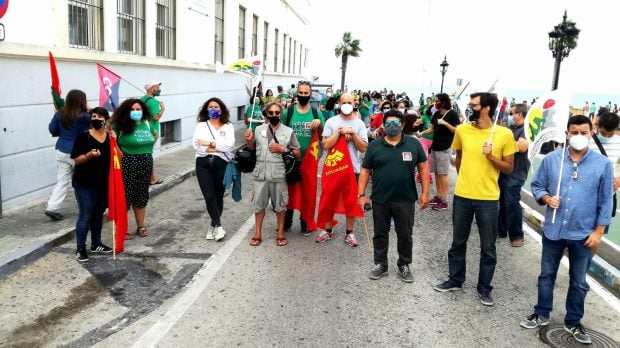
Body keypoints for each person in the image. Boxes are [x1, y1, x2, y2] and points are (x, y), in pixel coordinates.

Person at [520, 115, 613, 345]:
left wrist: (599, 232)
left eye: (583, 132)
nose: (578, 136)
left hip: (583, 233)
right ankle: (542, 313)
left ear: (592, 133)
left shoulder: (603, 164)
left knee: (579, 280)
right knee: (546, 275)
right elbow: (537, 185)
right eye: (574, 132)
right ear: (566, 134)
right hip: (554, 230)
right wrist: (547, 198)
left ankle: (573, 321)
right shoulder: (552, 160)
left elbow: (606, 201)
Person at [434, 92, 516, 307]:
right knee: (457, 242)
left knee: (488, 247)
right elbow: (459, 159)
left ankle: (484, 288)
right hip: (462, 196)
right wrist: (465, 178)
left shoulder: (504, 134)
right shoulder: (462, 130)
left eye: (474, 105)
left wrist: (491, 157)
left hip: (488, 199)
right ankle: (455, 279)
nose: (469, 108)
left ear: (487, 108)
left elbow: (509, 167)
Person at [358, 109, 430, 282]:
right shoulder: (375, 145)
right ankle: (381, 264)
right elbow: (365, 171)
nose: (392, 127)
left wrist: (425, 193)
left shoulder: (413, 144)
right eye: (388, 123)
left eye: (395, 124)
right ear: (384, 124)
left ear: (403, 125)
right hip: (380, 199)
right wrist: (361, 195)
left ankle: (404, 264)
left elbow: (423, 168)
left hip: (405, 198)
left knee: (405, 233)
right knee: (380, 233)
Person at [244, 102, 300, 246]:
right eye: (271, 113)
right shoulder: (257, 130)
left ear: (281, 114)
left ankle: (280, 234)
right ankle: (257, 234)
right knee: (258, 205)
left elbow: (297, 152)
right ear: (266, 115)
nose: (274, 115)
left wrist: (283, 149)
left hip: (279, 174)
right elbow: (251, 148)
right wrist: (249, 141)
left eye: (277, 113)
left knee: (280, 205)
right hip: (260, 174)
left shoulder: (288, 131)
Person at [317, 93, 369, 246]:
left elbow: (363, 148)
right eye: (344, 102)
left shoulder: (359, 124)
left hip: (352, 168)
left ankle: (349, 233)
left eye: (349, 102)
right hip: (334, 168)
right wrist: (339, 133)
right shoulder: (331, 122)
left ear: (354, 104)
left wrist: (353, 134)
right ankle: (327, 230)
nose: (346, 104)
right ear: (339, 104)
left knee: (351, 200)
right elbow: (326, 144)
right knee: (329, 197)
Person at [282, 81, 325, 234]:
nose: (303, 95)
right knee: (289, 193)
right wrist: (288, 151)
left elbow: (323, 138)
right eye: (301, 92)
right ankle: (286, 222)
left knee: (308, 193)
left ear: (310, 94)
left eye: (306, 93)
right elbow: (280, 134)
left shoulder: (315, 113)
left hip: (310, 162)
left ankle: (305, 222)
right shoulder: (289, 112)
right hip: (291, 161)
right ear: (296, 93)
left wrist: (319, 125)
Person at [70, 107, 113, 262]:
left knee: (98, 215)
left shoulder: (110, 138)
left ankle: (96, 243)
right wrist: (89, 155)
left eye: (100, 117)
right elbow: (76, 159)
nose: (96, 119)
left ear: (106, 120)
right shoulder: (83, 137)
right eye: (94, 116)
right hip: (84, 184)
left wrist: (114, 141)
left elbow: (119, 158)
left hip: (102, 184)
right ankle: (80, 248)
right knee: (85, 215)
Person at [111, 98, 156, 239]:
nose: (136, 112)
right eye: (133, 109)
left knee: (141, 195)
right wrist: (119, 150)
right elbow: (111, 140)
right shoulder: (120, 125)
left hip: (146, 161)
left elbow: (154, 136)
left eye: (138, 109)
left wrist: (147, 149)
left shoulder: (147, 123)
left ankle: (140, 226)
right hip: (127, 162)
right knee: (124, 197)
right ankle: (122, 229)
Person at [193, 97, 236, 242]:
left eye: (216, 107)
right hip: (203, 164)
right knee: (209, 196)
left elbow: (228, 146)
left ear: (221, 109)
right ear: (206, 109)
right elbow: (197, 146)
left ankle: (212, 226)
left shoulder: (228, 126)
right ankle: (218, 226)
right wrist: (216, 145)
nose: (213, 109)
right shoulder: (201, 126)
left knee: (218, 196)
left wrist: (208, 143)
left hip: (221, 163)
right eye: (210, 107)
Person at [46, 89, 91, 220]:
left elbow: (52, 129)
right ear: (83, 101)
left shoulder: (60, 114)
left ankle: (52, 207)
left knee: (62, 181)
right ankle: (85, 208)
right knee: (82, 182)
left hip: (62, 150)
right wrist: (90, 109)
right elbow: (100, 120)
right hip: (78, 152)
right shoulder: (85, 116)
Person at [498, 103, 530, 247]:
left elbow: (522, 147)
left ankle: (517, 235)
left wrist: (505, 145)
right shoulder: (511, 129)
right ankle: (501, 230)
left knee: (512, 204)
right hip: (505, 170)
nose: (509, 116)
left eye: (511, 113)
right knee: (503, 202)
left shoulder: (525, 130)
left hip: (516, 172)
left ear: (520, 115)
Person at [425, 93, 461, 210]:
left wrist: (445, 123)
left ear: (444, 102)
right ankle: (439, 196)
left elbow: (457, 129)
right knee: (436, 173)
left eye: (437, 101)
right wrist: (422, 133)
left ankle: (444, 200)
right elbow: (433, 128)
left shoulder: (452, 114)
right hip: (435, 146)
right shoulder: (436, 113)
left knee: (443, 173)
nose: (435, 103)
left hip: (445, 147)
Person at [140, 81, 166, 185]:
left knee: (144, 154)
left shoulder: (142, 99)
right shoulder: (154, 102)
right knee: (148, 155)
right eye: (157, 87)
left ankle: (149, 177)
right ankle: (152, 178)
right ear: (151, 88)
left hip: (144, 129)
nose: (159, 89)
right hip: (152, 131)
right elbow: (156, 117)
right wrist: (163, 109)